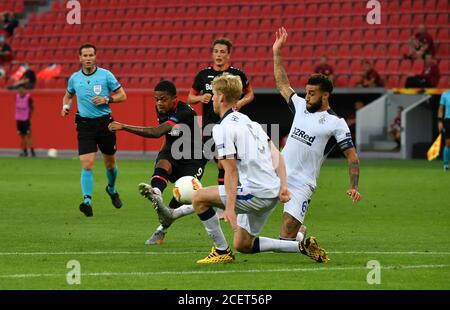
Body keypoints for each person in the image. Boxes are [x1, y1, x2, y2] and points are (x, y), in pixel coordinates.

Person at [183, 73, 327, 264]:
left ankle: (220, 251)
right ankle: (301, 246)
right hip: (271, 192)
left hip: (257, 193)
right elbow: (277, 155)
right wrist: (283, 186)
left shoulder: (221, 128)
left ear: (222, 97)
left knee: (199, 198)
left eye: (215, 95)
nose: (213, 100)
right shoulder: (249, 122)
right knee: (243, 244)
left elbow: (231, 170)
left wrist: (231, 208)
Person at [273, 27, 362, 253]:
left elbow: (352, 156)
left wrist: (353, 186)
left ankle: (298, 232)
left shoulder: (336, 123)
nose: (307, 96)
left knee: (285, 240)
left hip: (303, 182)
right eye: (306, 91)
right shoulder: (300, 105)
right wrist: (277, 52)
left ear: (325, 95)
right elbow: (282, 83)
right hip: (278, 172)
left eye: (312, 93)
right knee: (247, 212)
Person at [108, 80, 205, 244]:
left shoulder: (185, 112)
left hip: (193, 158)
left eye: (163, 99)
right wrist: (163, 154)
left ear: (174, 98)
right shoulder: (162, 108)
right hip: (173, 150)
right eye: (156, 99)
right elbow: (167, 135)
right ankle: (156, 195)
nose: (159, 103)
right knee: (162, 165)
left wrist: (123, 126)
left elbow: (156, 132)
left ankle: (161, 230)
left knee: (181, 197)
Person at [187, 38, 254, 218]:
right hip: (211, 126)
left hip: (231, 124)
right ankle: (224, 200)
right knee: (218, 163)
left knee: (225, 163)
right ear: (212, 54)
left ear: (228, 55)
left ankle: (228, 202)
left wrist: (239, 102)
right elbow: (189, 97)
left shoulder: (236, 74)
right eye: (216, 51)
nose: (218, 55)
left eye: (222, 52)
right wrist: (201, 98)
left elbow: (250, 94)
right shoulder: (203, 75)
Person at [61, 43, 127, 217]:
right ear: (80, 58)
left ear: (95, 57)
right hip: (85, 125)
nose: (88, 58)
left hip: (105, 123)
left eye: (91, 55)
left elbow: (122, 95)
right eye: (85, 55)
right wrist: (66, 106)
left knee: (110, 164)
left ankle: (111, 189)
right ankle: (87, 201)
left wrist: (107, 99)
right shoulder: (74, 78)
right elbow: (68, 95)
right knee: (87, 163)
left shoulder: (106, 75)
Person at [15, 84, 35, 157]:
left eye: (22, 89)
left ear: (24, 89)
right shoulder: (17, 96)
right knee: (22, 136)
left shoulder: (28, 97)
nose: (20, 90)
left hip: (26, 119)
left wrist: (29, 115)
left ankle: (32, 152)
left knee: (28, 136)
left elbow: (32, 106)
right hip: (18, 119)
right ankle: (25, 152)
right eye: (19, 89)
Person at [438, 89, 450, 171]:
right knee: (448, 143)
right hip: (448, 120)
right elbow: (441, 109)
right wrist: (440, 121)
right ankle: (446, 164)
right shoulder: (445, 94)